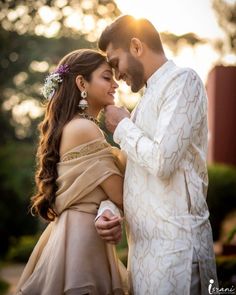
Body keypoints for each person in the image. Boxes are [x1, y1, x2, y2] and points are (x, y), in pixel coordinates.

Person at [94, 15, 218, 295]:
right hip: (143, 260)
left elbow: (162, 161)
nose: (116, 76)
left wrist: (121, 127)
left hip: (178, 256)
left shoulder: (183, 81)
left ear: (136, 46)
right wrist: (109, 212)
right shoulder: (141, 106)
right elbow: (132, 178)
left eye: (115, 63)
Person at [16, 49, 129, 295]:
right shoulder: (84, 129)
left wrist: (105, 207)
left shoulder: (72, 126)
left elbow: (106, 194)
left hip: (78, 234)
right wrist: (128, 127)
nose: (116, 84)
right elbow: (122, 195)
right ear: (81, 83)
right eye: (107, 77)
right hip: (81, 242)